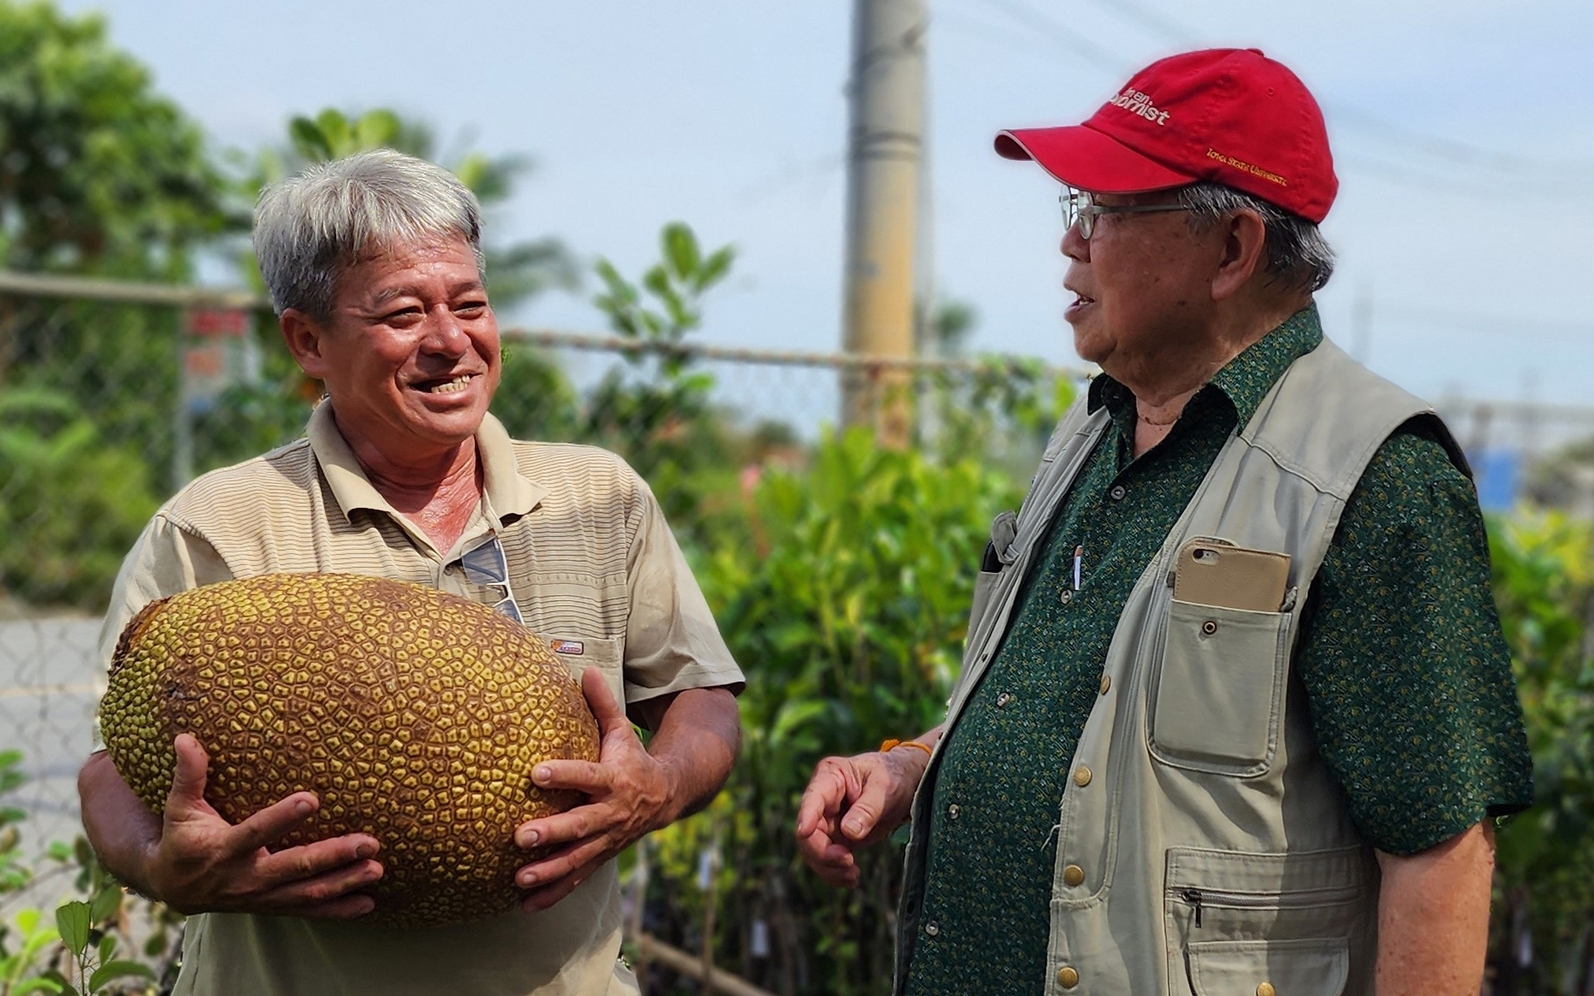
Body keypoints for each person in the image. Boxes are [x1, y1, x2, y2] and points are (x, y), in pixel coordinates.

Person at [796, 48, 1531, 996]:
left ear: (1231, 249)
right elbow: (1076, 713)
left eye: (1103, 209)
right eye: (1077, 209)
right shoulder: (1095, 425)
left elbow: (1439, 845)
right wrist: (908, 771)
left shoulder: (1374, 476)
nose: (1073, 242)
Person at [78, 149, 744, 996]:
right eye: (403, 313)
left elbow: (702, 699)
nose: (450, 341)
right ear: (307, 339)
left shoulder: (600, 496)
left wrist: (660, 784)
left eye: (471, 305)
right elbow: (112, 765)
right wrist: (158, 865)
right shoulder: (216, 524)